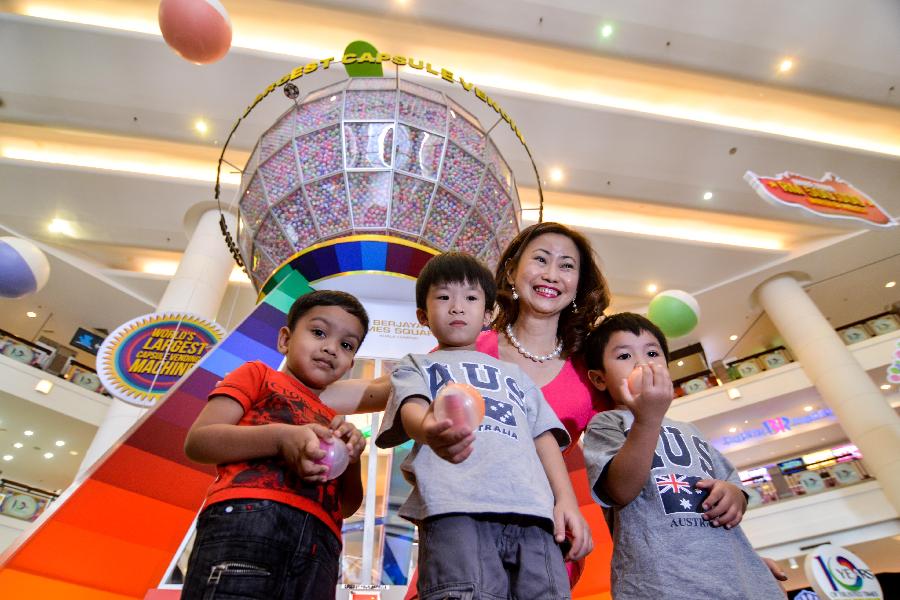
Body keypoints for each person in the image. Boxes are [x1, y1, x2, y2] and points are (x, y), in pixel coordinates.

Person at [376, 252, 591, 600]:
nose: (457, 307)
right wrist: (429, 428)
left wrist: (566, 501)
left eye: (471, 298)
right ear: (422, 315)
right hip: (455, 511)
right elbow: (410, 409)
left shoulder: (516, 376)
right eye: (444, 297)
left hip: (534, 516)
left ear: (488, 314)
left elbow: (544, 437)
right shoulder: (416, 365)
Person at [582, 312, 786, 600]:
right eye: (625, 356)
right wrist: (647, 420)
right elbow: (620, 490)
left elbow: (734, 487)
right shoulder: (606, 425)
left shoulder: (690, 430)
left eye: (652, 353)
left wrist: (733, 495)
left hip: (731, 575)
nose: (643, 363)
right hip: (661, 580)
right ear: (599, 379)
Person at [181, 290, 370, 600]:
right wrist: (281, 438)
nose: (330, 348)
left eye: (346, 345)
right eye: (319, 332)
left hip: (320, 547)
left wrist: (351, 460)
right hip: (247, 524)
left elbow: (346, 507)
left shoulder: (334, 420)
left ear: (350, 363)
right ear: (285, 339)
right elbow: (199, 441)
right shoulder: (258, 374)